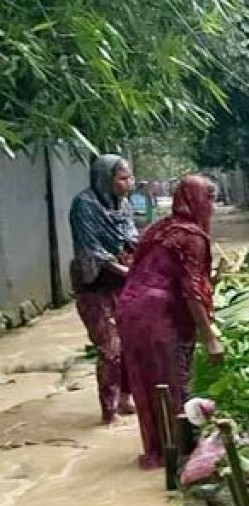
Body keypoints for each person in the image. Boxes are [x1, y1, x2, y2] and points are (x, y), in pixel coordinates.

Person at [117, 175, 224, 470]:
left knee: (147, 382)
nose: (212, 208)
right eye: (210, 200)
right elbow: (191, 290)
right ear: (198, 200)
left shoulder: (158, 229)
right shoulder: (191, 236)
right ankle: (177, 456)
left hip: (129, 309)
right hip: (158, 314)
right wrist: (210, 338)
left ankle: (157, 449)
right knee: (173, 381)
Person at [69, 154, 139, 426]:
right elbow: (92, 250)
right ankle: (109, 411)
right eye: (122, 179)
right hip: (96, 284)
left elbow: (132, 239)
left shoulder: (124, 205)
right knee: (110, 347)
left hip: (123, 281)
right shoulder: (84, 205)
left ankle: (126, 398)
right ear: (105, 179)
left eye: (129, 178)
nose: (128, 184)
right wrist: (125, 271)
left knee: (132, 339)